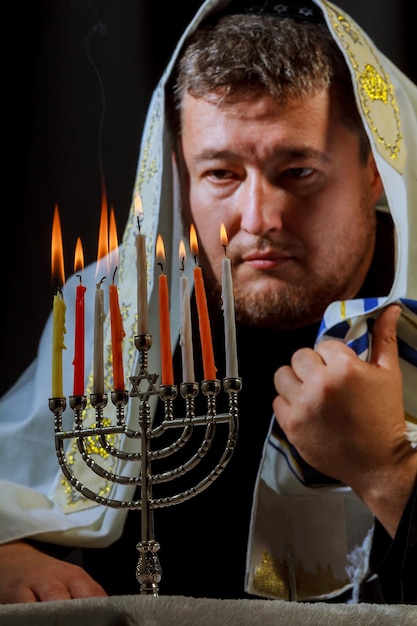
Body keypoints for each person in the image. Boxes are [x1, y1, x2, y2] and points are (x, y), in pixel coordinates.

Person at [0, 0, 416, 605]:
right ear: (180, 174)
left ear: (376, 169)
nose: (258, 220)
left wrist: (388, 472)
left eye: (297, 171)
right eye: (221, 173)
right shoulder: (117, 312)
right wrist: (9, 551)